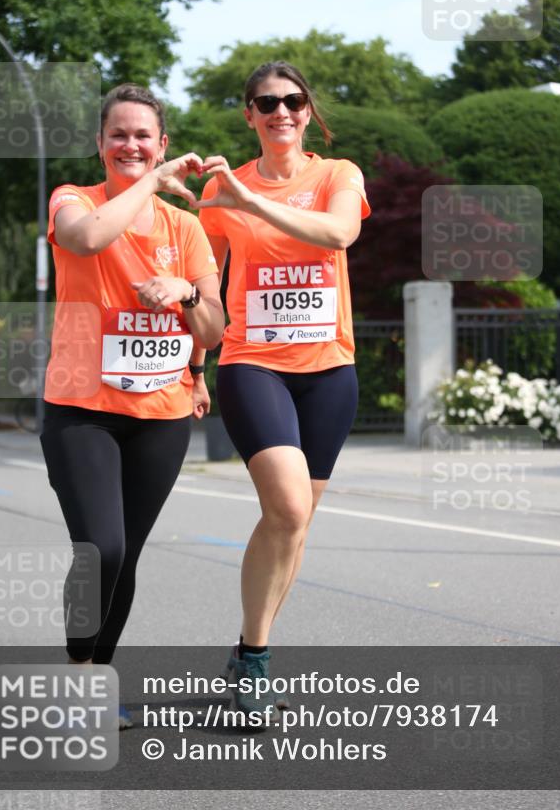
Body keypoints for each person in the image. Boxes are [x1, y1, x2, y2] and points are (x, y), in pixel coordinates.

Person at [40, 83, 223, 727]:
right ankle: (78, 668)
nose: (131, 144)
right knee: (103, 549)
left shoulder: (187, 229)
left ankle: (93, 684)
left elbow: (214, 331)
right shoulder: (74, 200)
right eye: (118, 134)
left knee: (129, 555)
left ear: (162, 143)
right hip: (80, 408)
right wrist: (151, 182)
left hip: (162, 415)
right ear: (100, 144)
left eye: (143, 136)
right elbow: (88, 240)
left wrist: (186, 294)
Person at [196, 61, 370, 719]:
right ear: (248, 114)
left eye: (292, 101)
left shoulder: (336, 174)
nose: (281, 113)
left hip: (329, 370)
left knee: (291, 528)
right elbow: (202, 280)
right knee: (290, 510)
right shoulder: (222, 187)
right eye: (266, 103)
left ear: (306, 108)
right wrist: (190, 369)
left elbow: (338, 232)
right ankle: (258, 662)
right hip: (252, 364)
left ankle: (247, 654)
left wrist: (253, 204)